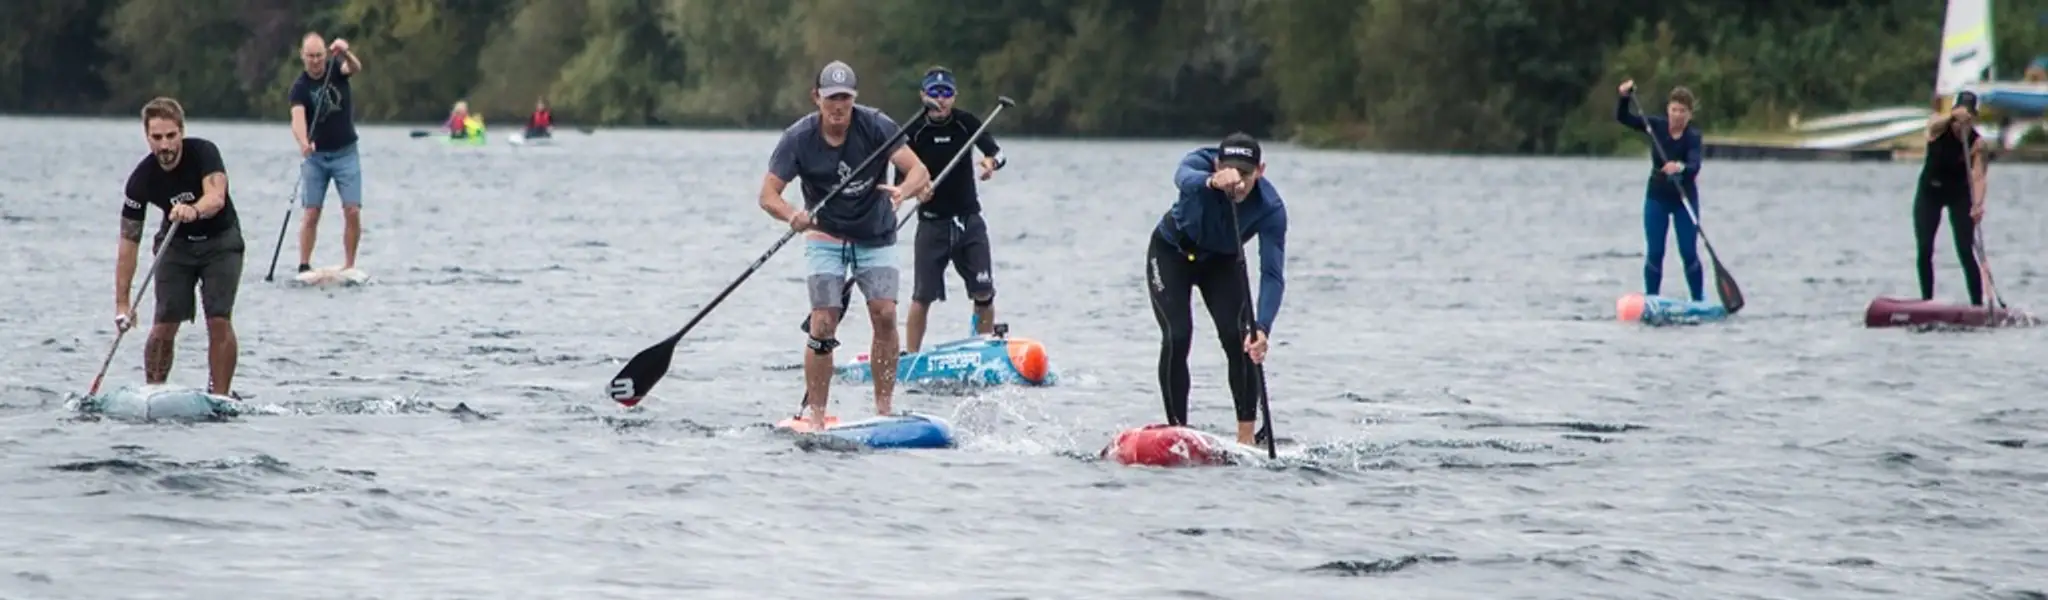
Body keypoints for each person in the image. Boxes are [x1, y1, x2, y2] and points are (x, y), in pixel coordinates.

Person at [757, 61, 931, 430]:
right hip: (825, 235)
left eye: (845, 99)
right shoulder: (798, 138)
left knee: (885, 314)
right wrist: (792, 215)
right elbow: (768, 195)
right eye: (831, 98)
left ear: (854, 99)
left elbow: (919, 171)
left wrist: (903, 190)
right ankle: (817, 417)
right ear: (816, 97)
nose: (838, 107)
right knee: (823, 322)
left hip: (876, 234)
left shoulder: (876, 125)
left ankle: (884, 410)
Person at [1147, 132, 1287, 446]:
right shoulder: (1199, 163)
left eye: (1246, 175)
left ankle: (1246, 437)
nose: (1237, 183)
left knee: (1242, 341)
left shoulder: (1271, 207)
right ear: (1216, 164)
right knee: (1178, 335)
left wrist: (1263, 327)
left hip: (1222, 263)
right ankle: (1178, 432)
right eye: (1230, 171)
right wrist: (1212, 181)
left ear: (1261, 171)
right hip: (1171, 253)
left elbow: (1272, 274)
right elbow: (1182, 177)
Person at [115, 97, 246, 396]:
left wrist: (194, 210)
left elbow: (216, 197)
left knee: (218, 319)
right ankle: (154, 391)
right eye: (157, 137)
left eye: (171, 136)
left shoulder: (204, 153)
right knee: (164, 322)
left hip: (221, 243)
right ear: (147, 137)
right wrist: (122, 303)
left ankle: (220, 395)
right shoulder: (140, 180)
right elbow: (128, 242)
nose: (165, 146)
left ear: (181, 132)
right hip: (176, 245)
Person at [902, 66, 1008, 353]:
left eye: (946, 93)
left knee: (984, 292)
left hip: (968, 221)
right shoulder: (914, 131)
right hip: (932, 224)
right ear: (923, 95)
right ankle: (911, 356)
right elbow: (900, 181)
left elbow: (998, 153)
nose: (940, 99)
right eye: (934, 93)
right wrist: (917, 191)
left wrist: (990, 163)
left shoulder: (966, 123)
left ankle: (982, 348)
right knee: (922, 296)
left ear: (954, 96)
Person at [1615, 80, 1705, 302]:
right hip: (1657, 198)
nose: (1677, 115)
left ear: (1689, 115)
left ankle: (1698, 300)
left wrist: (1680, 167)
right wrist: (1624, 97)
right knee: (1655, 252)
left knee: (1688, 253)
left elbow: (1694, 164)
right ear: (1668, 110)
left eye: (1682, 111)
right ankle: (1652, 298)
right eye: (1674, 110)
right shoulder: (1655, 126)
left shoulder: (1693, 137)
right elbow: (1623, 118)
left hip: (1684, 199)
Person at [288, 32, 365, 276]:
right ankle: (304, 264)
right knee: (311, 212)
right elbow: (297, 120)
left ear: (325, 54)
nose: (315, 61)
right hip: (316, 158)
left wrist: (345, 52)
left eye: (319, 55)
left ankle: (349, 265)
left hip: (346, 153)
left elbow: (355, 67)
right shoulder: (299, 88)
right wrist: (303, 143)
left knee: (352, 210)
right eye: (310, 56)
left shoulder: (336, 69)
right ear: (303, 56)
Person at [1914, 90, 1990, 305]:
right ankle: (1926, 301)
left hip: (1959, 194)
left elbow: (1978, 177)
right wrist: (1953, 116)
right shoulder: (1939, 127)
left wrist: (1978, 205)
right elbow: (1932, 125)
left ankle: (1977, 305)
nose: (1962, 125)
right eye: (1959, 119)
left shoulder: (1977, 143)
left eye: (1968, 119)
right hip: (1930, 192)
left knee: (1965, 250)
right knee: (1925, 248)